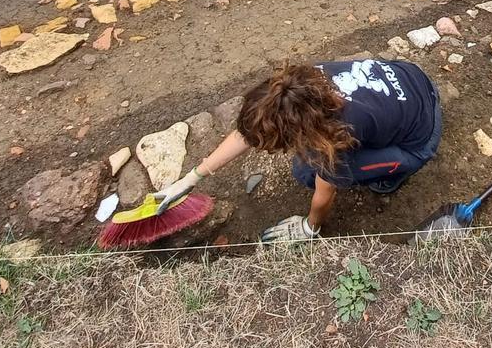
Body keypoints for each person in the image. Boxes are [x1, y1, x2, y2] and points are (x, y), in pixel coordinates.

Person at [155, 60, 444, 242]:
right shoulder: (301, 87)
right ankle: (384, 139)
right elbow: (248, 132)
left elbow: (324, 193)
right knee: (310, 167)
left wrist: (310, 227)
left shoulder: (333, 136)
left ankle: (393, 175)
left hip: (419, 140)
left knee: (309, 173)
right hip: (408, 75)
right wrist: (192, 177)